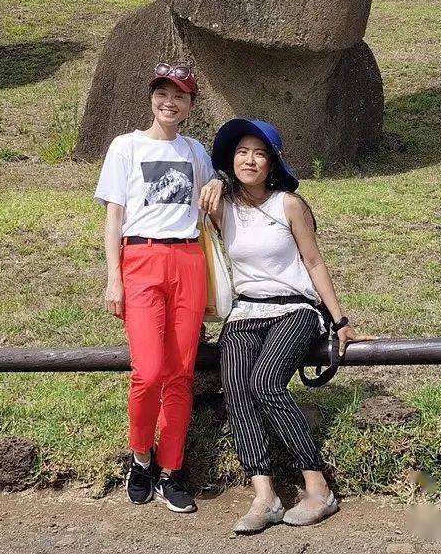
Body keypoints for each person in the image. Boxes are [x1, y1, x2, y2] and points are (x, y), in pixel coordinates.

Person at [201, 118, 368, 531]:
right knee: (238, 390)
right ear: (230, 160)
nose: (250, 160)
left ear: (272, 163)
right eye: (242, 152)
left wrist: (340, 320)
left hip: (295, 309)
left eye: (260, 153)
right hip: (244, 312)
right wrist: (215, 185)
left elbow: (313, 262)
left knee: (265, 384)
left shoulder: (288, 204)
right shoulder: (220, 206)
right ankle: (264, 496)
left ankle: (318, 487)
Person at [95, 63, 224, 513]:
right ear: (151, 97)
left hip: (188, 259)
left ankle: (172, 469)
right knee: (147, 371)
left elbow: (214, 192)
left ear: (191, 105)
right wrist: (115, 275)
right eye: (162, 93)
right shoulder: (125, 147)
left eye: (180, 96)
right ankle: (140, 458)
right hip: (142, 258)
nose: (169, 103)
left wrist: (218, 181)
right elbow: (114, 215)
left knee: (181, 372)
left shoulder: (194, 151)